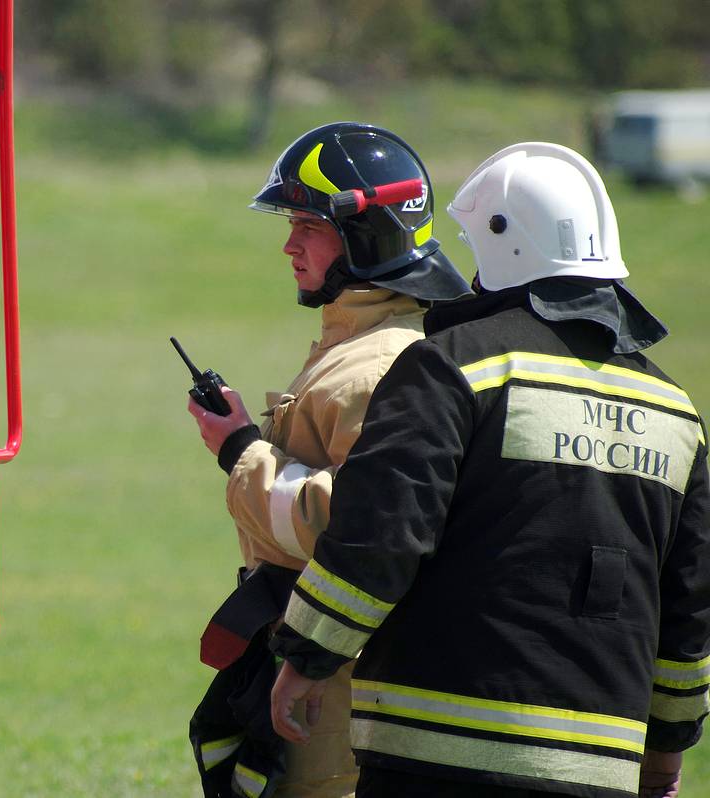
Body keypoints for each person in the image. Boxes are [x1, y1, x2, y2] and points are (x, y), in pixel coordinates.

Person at [268, 141, 710, 798]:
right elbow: (689, 606)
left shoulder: (454, 367)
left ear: (501, 245)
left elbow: (383, 534)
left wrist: (306, 657)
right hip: (600, 767)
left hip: (433, 751)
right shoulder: (676, 412)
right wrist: (667, 750)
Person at [186, 122, 471, 798]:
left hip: (338, 690)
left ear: (364, 234)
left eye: (308, 226)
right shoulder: (368, 340)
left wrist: (240, 453)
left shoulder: (374, 368)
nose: (289, 244)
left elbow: (356, 527)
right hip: (326, 669)